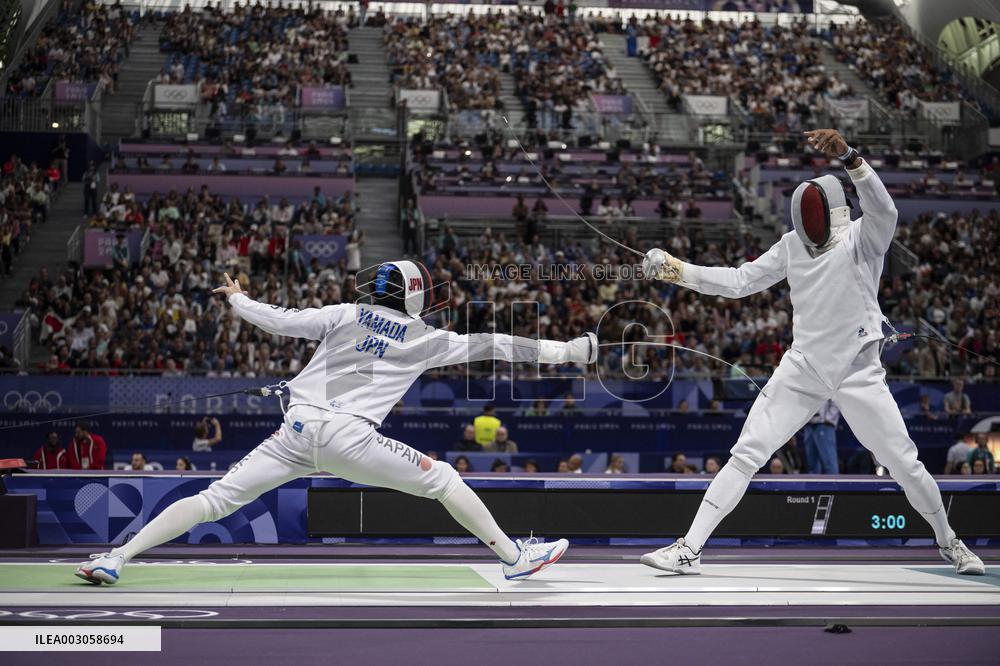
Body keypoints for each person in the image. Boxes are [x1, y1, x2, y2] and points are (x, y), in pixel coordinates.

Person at [77, 260, 596, 584]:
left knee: (215, 500)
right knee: (443, 479)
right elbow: (497, 344)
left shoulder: (345, 313)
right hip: (350, 439)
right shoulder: (426, 339)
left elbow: (278, 319)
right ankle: (513, 557)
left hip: (295, 433)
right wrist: (568, 351)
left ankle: (116, 557)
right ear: (416, 296)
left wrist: (237, 298)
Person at [639, 129, 983, 576]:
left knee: (904, 463)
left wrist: (851, 158)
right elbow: (740, 281)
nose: (809, 227)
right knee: (746, 453)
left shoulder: (863, 237)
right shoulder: (791, 245)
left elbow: (885, 208)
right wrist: (677, 269)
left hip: (859, 373)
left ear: (834, 213)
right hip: (804, 367)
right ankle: (689, 549)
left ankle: (951, 543)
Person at [802, 399, 840, 473]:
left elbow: (837, 400)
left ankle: (833, 480)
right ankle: (813, 481)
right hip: (808, 424)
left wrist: (828, 418)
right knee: (811, 464)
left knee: (829, 461)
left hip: (824, 425)